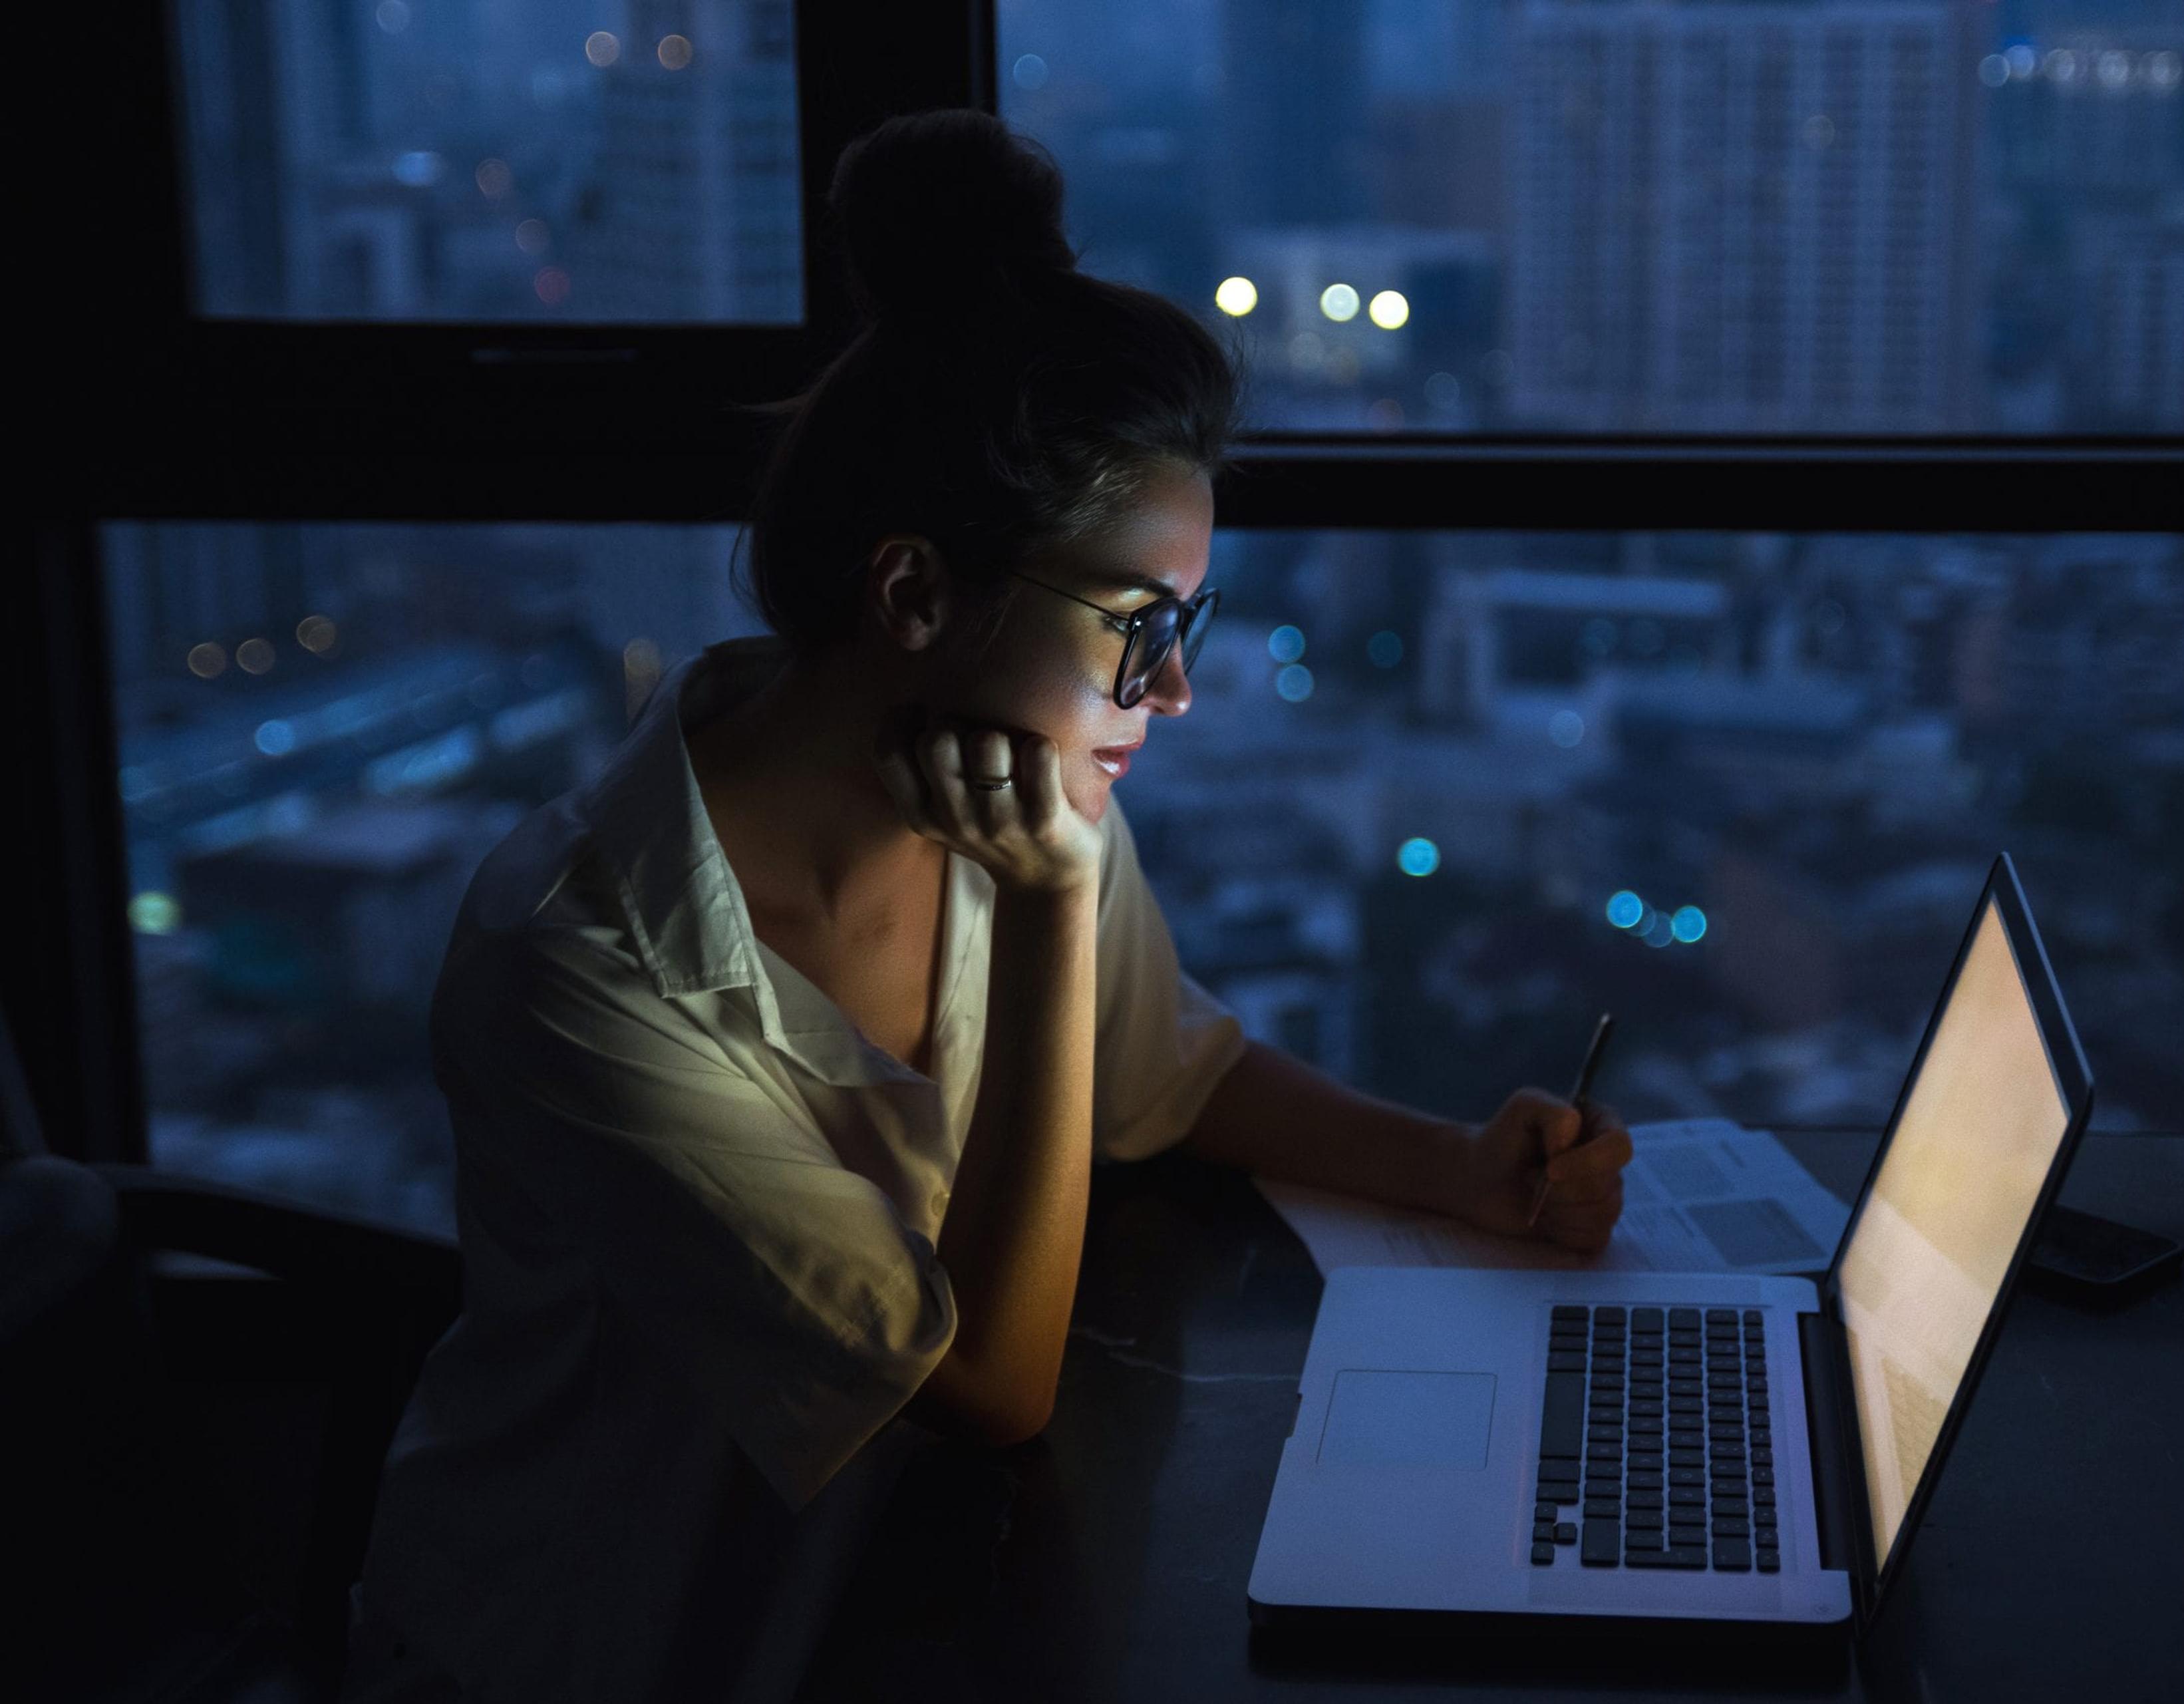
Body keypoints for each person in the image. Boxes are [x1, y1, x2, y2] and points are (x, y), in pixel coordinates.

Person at [343, 109, 1634, 1703]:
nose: (1170, 690)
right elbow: (982, 1382)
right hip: (600, 1649)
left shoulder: (1019, 791)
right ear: (913, 595)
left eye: (1190, 622)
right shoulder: (578, 959)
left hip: (892, 1594)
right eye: (1138, 625)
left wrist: (1457, 1174)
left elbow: (1168, 1073)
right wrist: (1045, 912)